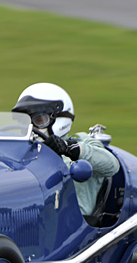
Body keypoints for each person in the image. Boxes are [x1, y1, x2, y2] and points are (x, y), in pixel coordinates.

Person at [12, 82, 120, 220]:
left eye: (39, 120)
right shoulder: (24, 151)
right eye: (25, 121)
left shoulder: (83, 142)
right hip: (35, 219)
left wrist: (69, 148)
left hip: (74, 226)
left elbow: (112, 165)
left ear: (59, 119)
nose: (31, 127)